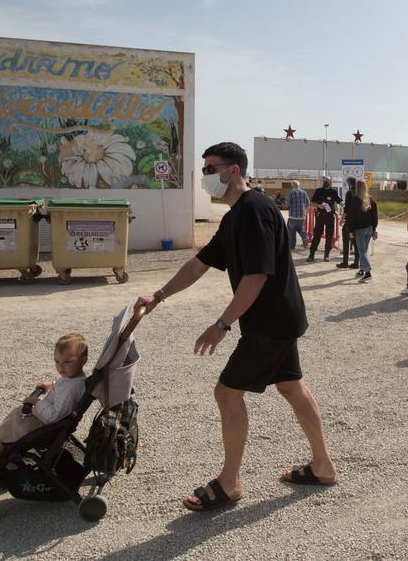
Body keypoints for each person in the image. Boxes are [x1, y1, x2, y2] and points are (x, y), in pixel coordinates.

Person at [142, 142, 337, 512]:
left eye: (209, 169)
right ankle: (323, 465)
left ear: (233, 170)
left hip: (270, 323)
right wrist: (159, 296)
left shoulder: (256, 210)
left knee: (227, 393)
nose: (205, 178)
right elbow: (199, 264)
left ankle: (229, 483)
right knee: (292, 386)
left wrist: (221, 324)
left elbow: (257, 276)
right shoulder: (235, 217)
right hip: (276, 320)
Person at [0, 329, 121, 468]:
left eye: (67, 362)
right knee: (15, 416)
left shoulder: (72, 388)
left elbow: (55, 416)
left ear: (83, 361)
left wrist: (37, 403)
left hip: (46, 427)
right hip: (45, 421)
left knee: (5, 430)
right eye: (57, 362)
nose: (61, 367)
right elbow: (64, 389)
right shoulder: (75, 380)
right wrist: (52, 385)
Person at [349, 180, 380, 283]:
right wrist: (374, 228)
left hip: (359, 230)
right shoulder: (370, 199)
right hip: (369, 228)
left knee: (362, 251)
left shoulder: (354, 200)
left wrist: (351, 230)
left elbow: (351, 217)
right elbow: (375, 216)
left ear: (357, 188)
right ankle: (362, 270)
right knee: (364, 250)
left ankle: (367, 272)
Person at [308, 176, 341, 262]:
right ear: (323, 182)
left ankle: (326, 255)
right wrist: (318, 206)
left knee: (329, 236)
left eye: (328, 181)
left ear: (330, 182)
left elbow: (339, 201)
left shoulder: (333, 192)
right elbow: (311, 202)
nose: (326, 182)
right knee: (317, 235)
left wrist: (345, 204)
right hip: (320, 216)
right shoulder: (318, 191)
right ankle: (311, 254)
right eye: (325, 180)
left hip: (330, 217)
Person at [337, 177, 359, 269]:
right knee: (356, 243)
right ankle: (356, 263)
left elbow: (347, 208)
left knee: (346, 242)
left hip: (349, 221)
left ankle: (345, 262)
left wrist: (342, 219)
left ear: (349, 183)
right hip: (357, 221)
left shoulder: (349, 193)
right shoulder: (359, 193)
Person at [285, 181, 310, 251]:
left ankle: (292, 247)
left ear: (293, 185)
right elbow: (308, 203)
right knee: (301, 229)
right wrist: (303, 208)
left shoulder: (291, 193)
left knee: (291, 232)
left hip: (293, 216)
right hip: (302, 216)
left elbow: (287, 204)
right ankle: (305, 238)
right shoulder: (304, 192)